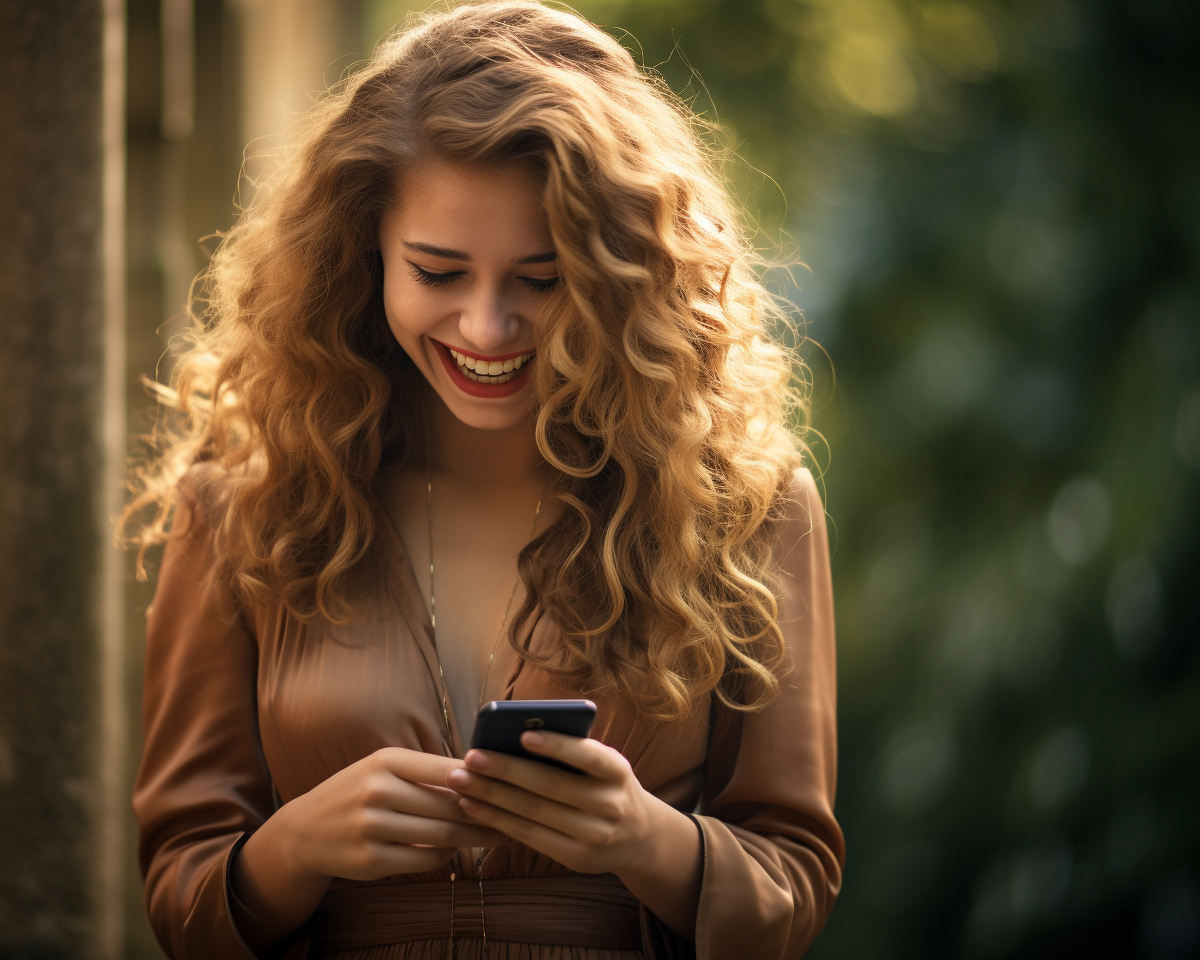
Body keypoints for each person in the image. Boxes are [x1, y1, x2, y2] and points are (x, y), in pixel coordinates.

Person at [125, 2, 844, 958]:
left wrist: (646, 840)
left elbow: (793, 881)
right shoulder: (239, 505)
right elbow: (177, 895)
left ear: (622, 277)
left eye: (541, 280)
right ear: (363, 250)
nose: (487, 327)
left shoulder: (748, 508)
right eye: (438, 271)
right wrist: (295, 848)